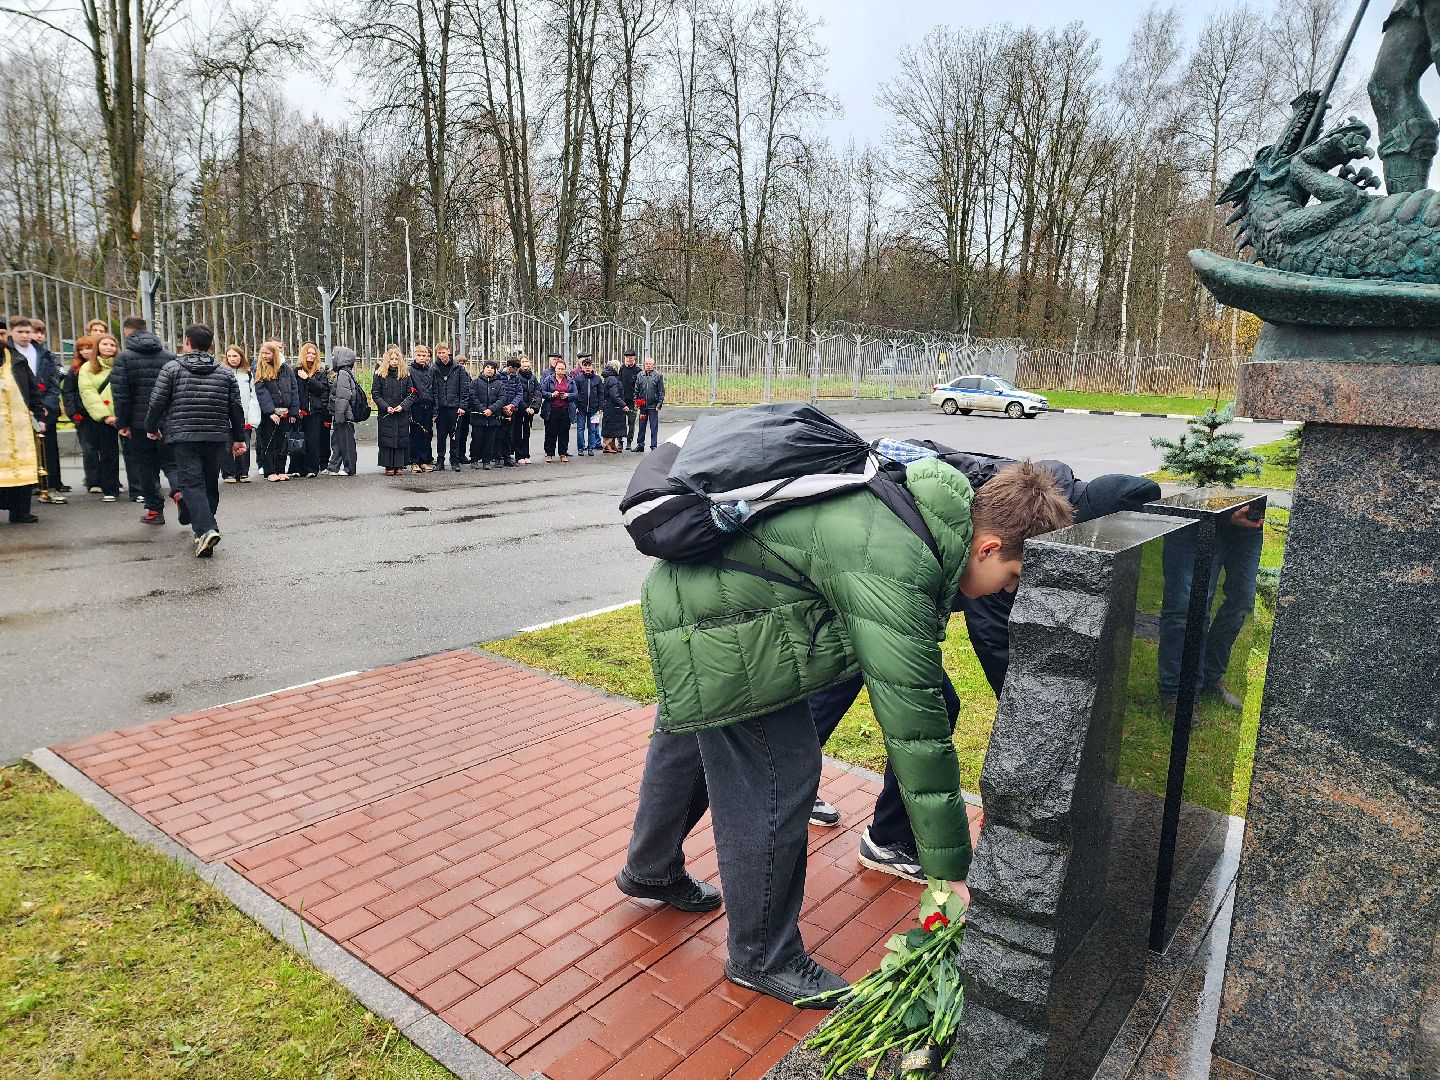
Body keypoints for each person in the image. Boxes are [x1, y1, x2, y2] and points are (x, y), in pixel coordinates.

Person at [616, 459, 1074, 1007]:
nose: (1006, 592)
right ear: (989, 547)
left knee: (688, 732)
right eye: (1013, 578)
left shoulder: (925, 497)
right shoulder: (903, 557)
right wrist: (949, 872)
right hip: (721, 621)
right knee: (780, 778)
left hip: (694, 597)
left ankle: (649, 870)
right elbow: (914, 722)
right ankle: (763, 957)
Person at [807, 458, 1162, 881]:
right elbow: (924, 720)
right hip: (843, 610)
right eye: (1013, 577)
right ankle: (823, 808)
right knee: (859, 708)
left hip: (866, 603)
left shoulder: (1028, 507)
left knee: (901, 704)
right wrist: (952, 868)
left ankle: (860, 822)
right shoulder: (997, 537)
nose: (1014, 588)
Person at [142, 323, 246, 558]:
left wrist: (151, 428)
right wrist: (239, 438)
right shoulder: (225, 372)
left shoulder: (171, 369)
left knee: (192, 484)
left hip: (183, 435)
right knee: (210, 483)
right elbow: (235, 408)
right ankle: (204, 529)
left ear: (186, 343)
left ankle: (206, 529)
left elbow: (157, 402)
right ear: (211, 345)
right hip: (217, 436)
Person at [1158, 506, 1264, 717]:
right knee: (1187, 605)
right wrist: (1226, 513)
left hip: (1252, 528)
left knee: (1242, 600)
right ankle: (1177, 690)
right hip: (1196, 520)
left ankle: (1210, 676)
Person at [111, 315, 175, 521]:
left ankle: (155, 510)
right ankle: (180, 494)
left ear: (126, 331)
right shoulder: (169, 357)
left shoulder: (124, 358)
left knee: (146, 467)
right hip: (166, 421)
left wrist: (123, 423)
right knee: (172, 463)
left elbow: (121, 394)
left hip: (138, 423)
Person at [7, 317, 65, 505]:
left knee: (49, 449)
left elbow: (54, 383)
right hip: (18, 410)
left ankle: (51, 485)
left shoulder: (43, 354)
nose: (24, 336)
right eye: (20, 332)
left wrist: (45, 407)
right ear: (11, 332)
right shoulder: (9, 354)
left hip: (44, 409)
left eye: (27, 332)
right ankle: (25, 487)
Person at [0, 328, 43, 523]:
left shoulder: (16, 358)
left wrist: (39, 413)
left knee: (22, 468)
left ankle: (20, 512)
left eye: (2, 334)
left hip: (19, 426)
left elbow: (32, 387)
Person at [77, 333, 122, 501]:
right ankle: (110, 489)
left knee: (133, 454)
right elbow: (88, 393)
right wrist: (105, 415)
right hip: (104, 417)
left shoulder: (121, 365)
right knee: (107, 453)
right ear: (98, 347)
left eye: (112, 344)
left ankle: (138, 489)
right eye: (105, 344)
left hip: (123, 414)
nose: (109, 347)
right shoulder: (87, 368)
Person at [29, 319, 67, 494]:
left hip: (47, 407)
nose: (38, 336)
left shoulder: (47, 355)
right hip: (29, 408)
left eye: (41, 332)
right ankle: (35, 483)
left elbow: (56, 378)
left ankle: (55, 481)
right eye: (35, 332)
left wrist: (48, 404)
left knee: (51, 447)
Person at [253, 341, 300, 482]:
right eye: (262, 353)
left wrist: (293, 412)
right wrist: (270, 412)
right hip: (269, 414)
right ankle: (270, 471)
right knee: (269, 442)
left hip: (284, 413)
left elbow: (293, 389)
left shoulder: (286, 369)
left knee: (283, 443)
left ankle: (280, 470)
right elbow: (261, 392)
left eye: (267, 353)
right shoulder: (259, 369)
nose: (264, 356)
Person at [62, 336, 99, 492]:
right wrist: (73, 413)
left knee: (106, 450)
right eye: (81, 349)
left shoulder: (102, 366)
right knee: (88, 449)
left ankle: (110, 480)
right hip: (82, 415)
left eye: (88, 348)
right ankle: (93, 481)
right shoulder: (74, 370)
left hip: (101, 412)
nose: (85, 352)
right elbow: (68, 392)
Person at [220, 345, 261, 483]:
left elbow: (253, 396)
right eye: (229, 356)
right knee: (227, 445)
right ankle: (228, 473)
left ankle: (243, 472)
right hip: (226, 415)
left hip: (244, 415)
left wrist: (252, 416)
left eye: (235, 356)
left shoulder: (248, 374)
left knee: (245, 444)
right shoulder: (221, 373)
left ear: (241, 357)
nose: (232, 359)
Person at [372, 345, 413, 476]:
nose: (394, 361)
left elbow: (411, 394)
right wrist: (385, 407)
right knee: (387, 438)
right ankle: (388, 465)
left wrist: (403, 406)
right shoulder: (379, 375)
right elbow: (376, 394)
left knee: (401, 438)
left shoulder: (405, 375)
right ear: (387, 360)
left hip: (401, 412)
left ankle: (400, 465)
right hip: (386, 412)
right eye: (391, 359)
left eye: (396, 358)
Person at [294, 341, 331, 478]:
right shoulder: (295, 370)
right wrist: (295, 408)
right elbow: (293, 391)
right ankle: (297, 468)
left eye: (313, 354)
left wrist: (308, 378)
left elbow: (321, 389)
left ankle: (312, 468)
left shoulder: (320, 372)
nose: (311, 356)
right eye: (308, 353)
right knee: (298, 439)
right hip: (299, 411)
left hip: (315, 411)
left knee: (313, 440)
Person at [433, 341, 470, 472]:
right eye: (439, 353)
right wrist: (435, 409)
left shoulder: (458, 368)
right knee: (441, 435)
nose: (441, 355)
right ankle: (440, 460)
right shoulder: (434, 368)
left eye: (443, 352)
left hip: (455, 407)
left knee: (455, 435)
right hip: (441, 407)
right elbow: (433, 390)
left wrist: (462, 406)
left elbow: (464, 389)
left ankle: (454, 460)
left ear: (448, 351)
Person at [324, 346, 361, 476]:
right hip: (343, 414)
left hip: (343, 415)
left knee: (346, 442)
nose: (333, 358)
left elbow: (343, 396)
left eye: (335, 355)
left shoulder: (343, 374)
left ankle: (349, 468)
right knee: (338, 442)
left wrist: (339, 415)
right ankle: (333, 467)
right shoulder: (346, 372)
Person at [465, 360, 507, 470]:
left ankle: (486, 461)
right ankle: (474, 459)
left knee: (490, 440)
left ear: (495, 370)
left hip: (493, 418)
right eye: (487, 367)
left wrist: (491, 410)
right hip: (478, 417)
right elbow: (473, 397)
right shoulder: (475, 382)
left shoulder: (499, 384)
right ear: (483, 368)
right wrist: (483, 409)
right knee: (477, 439)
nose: (489, 369)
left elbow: (502, 399)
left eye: (492, 368)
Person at [408, 344, 437, 473]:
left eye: (424, 356)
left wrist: (435, 410)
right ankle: (414, 461)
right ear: (415, 356)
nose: (421, 358)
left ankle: (424, 461)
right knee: (415, 434)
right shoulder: (410, 370)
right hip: (415, 406)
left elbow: (435, 390)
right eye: (419, 355)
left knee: (427, 434)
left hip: (428, 406)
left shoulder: (431, 371)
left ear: (428, 357)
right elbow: (408, 391)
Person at [540, 357, 575, 462]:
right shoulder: (548, 379)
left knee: (564, 433)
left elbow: (576, 394)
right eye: (559, 368)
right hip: (552, 409)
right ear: (555, 369)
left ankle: (563, 454)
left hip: (565, 409)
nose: (560, 371)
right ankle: (549, 454)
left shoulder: (570, 380)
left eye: (562, 369)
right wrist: (551, 394)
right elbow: (542, 391)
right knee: (550, 433)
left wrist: (568, 395)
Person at [632, 355, 665, 453]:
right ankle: (640, 445)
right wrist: (636, 402)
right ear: (644, 364)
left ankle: (653, 446)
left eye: (650, 364)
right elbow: (636, 390)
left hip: (653, 406)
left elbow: (661, 391)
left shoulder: (658, 376)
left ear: (653, 365)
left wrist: (659, 404)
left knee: (653, 426)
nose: (648, 366)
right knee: (641, 426)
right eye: (646, 364)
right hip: (642, 406)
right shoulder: (640, 375)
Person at [513, 353, 541, 464]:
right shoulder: (517, 376)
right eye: (523, 362)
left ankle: (526, 454)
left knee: (527, 432)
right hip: (520, 410)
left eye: (526, 361)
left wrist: (534, 407)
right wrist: (525, 407)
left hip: (530, 410)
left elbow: (538, 392)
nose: (525, 364)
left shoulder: (533, 377)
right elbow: (517, 394)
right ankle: (519, 455)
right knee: (518, 432)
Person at [571, 354, 603, 456]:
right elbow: (575, 393)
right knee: (580, 428)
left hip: (594, 409)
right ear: (583, 367)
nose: (588, 368)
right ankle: (581, 447)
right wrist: (575, 406)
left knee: (592, 429)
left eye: (589, 366)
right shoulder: (578, 379)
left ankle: (591, 447)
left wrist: (600, 407)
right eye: (586, 366)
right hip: (581, 408)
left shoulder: (597, 379)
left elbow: (601, 393)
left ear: (592, 367)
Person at [495, 357, 523, 467]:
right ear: (510, 367)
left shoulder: (516, 378)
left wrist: (512, 406)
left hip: (511, 411)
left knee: (509, 435)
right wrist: (502, 406)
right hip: (499, 410)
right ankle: (497, 457)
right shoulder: (498, 376)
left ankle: (507, 457)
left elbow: (519, 393)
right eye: (515, 369)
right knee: (498, 434)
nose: (516, 372)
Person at [600, 359, 628, 454]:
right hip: (613, 407)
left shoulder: (609, 377)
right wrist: (623, 404)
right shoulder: (613, 379)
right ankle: (606, 445)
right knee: (612, 427)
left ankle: (612, 445)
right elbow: (614, 395)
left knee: (611, 426)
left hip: (610, 406)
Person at [452, 354, 472, 466]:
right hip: (457, 408)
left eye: (464, 363)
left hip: (467, 408)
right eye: (460, 363)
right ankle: (455, 455)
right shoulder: (454, 376)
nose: (463, 365)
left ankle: (462, 454)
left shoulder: (467, 376)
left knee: (464, 432)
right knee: (456, 433)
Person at [619, 348, 640, 449]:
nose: (628, 359)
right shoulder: (621, 369)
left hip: (632, 401)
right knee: (620, 421)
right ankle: (620, 441)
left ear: (634, 358)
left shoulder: (638, 371)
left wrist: (638, 402)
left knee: (631, 422)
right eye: (627, 358)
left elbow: (640, 388)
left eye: (630, 358)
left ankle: (629, 441)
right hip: (621, 401)